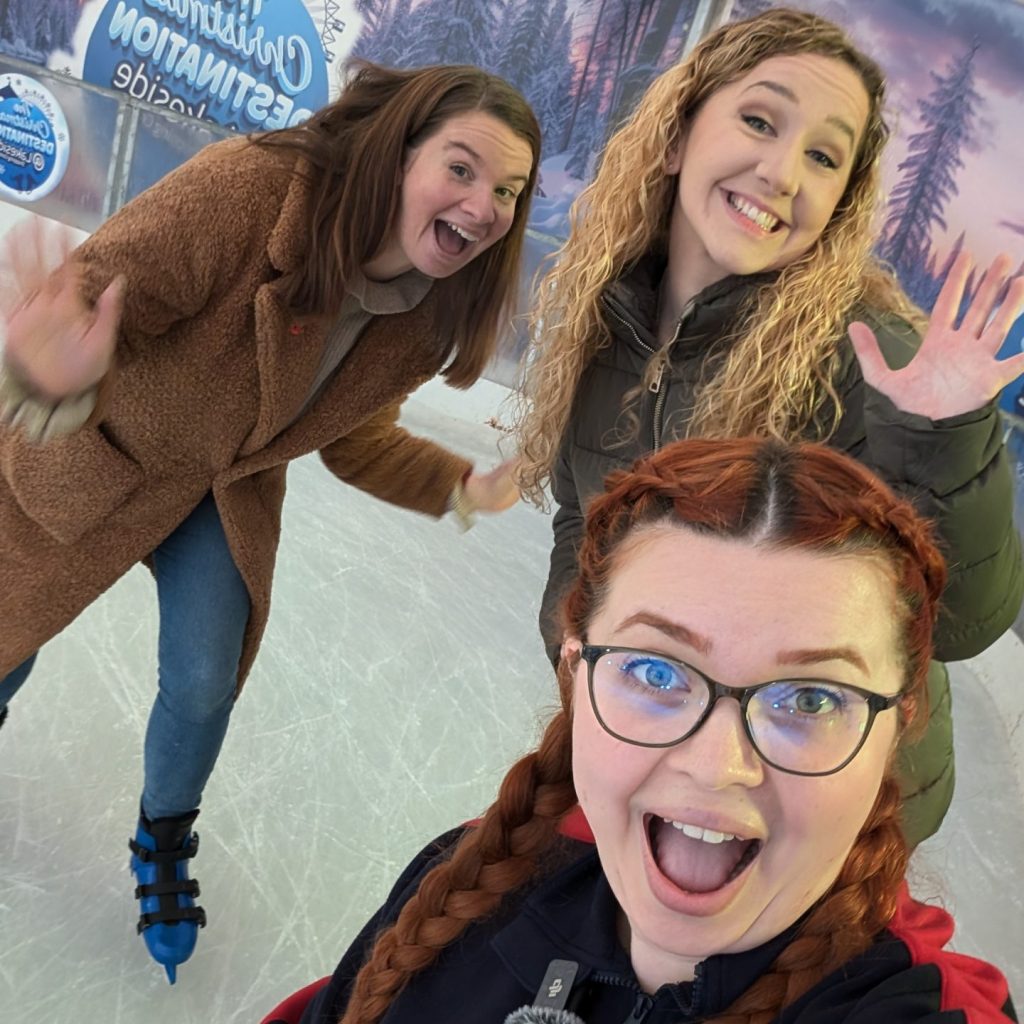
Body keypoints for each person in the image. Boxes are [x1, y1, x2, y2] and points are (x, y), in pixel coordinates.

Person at [0, 62, 540, 981]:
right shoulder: (251, 190)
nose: (483, 206)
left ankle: (163, 837)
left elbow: (350, 436)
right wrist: (46, 375)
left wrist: (462, 486)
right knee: (12, 623)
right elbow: (97, 298)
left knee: (208, 675)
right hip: (105, 446)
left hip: (223, 489)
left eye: (508, 191)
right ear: (396, 152)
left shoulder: (423, 318)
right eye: (461, 169)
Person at [283, 438, 1017, 1024]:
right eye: (659, 674)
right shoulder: (468, 877)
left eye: (811, 698)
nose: (716, 765)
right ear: (576, 669)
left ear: (900, 724)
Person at [513, 8, 1024, 849]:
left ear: (839, 202)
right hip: (666, 753)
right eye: (758, 120)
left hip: (820, 802)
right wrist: (578, 644)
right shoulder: (611, 318)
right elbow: (585, 520)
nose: (783, 172)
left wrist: (946, 438)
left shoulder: (870, 361)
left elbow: (961, 622)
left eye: (823, 157)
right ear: (678, 137)